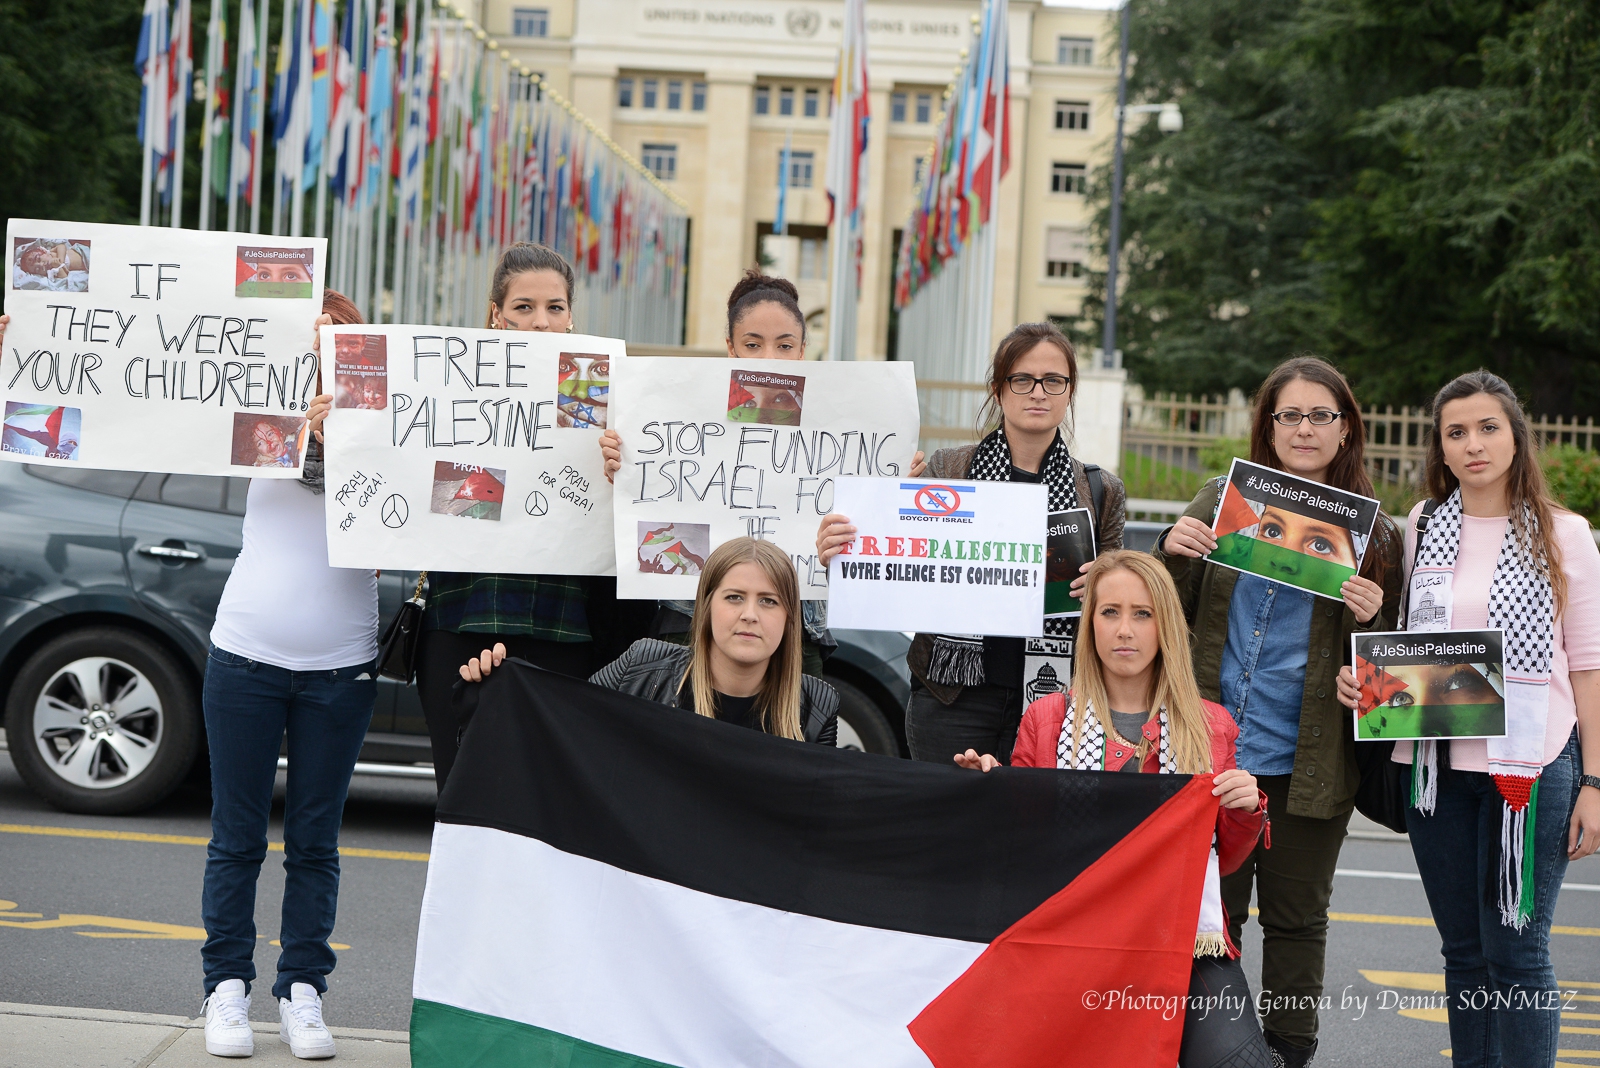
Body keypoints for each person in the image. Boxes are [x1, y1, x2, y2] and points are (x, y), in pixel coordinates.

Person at [1337, 371, 1599, 1068]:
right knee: (1463, 953)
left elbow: (1589, 665)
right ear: (1441, 449)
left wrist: (1596, 782)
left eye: (1488, 428)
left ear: (1516, 437)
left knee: (1518, 951)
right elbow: (1415, 643)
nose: (1473, 444)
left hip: (1533, 770)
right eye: (1457, 432)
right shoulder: (1423, 525)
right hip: (1439, 769)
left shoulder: (1565, 535)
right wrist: (1367, 682)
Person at [1154, 355, 1403, 1066]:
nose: (1303, 428)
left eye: (1320, 415)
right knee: (1210, 920)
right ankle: (1199, 1050)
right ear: (1268, 423)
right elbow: (1159, 611)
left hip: (1311, 764)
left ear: (1346, 428)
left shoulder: (1375, 537)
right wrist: (1171, 551)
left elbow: (1393, 679)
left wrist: (1371, 625)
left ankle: (1290, 1055)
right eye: (1288, 414)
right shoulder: (1222, 500)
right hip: (1213, 753)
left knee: (1297, 923)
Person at [954, 551, 1270, 1068]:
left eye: (1142, 614)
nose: (1125, 630)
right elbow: (1022, 843)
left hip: (1180, 943)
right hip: (1070, 940)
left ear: (1165, 623)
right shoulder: (1049, 718)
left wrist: (1245, 808)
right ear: (1090, 623)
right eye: (1110, 612)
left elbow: (1225, 859)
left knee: (1243, 1063)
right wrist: (988, 790)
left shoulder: (1210, 725)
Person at [197, 291, 379, 1060]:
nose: (325, 356)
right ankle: (226, 989)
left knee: (316, 839)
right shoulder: (253, 413)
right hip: (245, 654)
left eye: (342, 344)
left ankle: (302, 990)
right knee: (236, 837)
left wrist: (350, 436)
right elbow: (134, 398)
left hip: (341, 664)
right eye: (313, 345)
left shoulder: (385, 429)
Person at [817, 321, 1127, 765]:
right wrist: (861, 534)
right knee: (950, 826)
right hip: (951, 699)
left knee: (1030, 828)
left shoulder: (1101, 490)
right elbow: (899, 568)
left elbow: (1117, 599)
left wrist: (1103, 584)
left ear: (1069, 392)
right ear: (999, 391)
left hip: (1056, 702)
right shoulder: (946, 469)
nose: (1038, 392)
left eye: (1053, 381)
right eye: (1022, 379)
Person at [597, 270, 924, 679]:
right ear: (730, 349)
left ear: (803, 350)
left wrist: (894, 485)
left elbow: (870, 548)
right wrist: (627, 469)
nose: (769, 357)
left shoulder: (847, 423)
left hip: (796, 629)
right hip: (691, 621)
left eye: (784, 345)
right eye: (753, 344)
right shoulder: (676, 415)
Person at [415, 243, 619, 792]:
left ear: (572, 316)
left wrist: (624, 473)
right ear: (496, 316)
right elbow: (433, 505)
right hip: (464, 619)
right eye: (524, 307)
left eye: (555, 307)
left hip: (562, 629)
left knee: (551, 810)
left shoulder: (600, 396)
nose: (541, 322)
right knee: (463, 805)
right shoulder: (451, 387)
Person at [460, 537, 839, 745]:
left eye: (768, 601)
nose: (750, 614)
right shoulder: (641, 668)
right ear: (705, 608)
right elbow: (555, 735)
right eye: (734, 597)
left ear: (790, 620)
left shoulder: (816, 707)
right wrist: (489, 696)